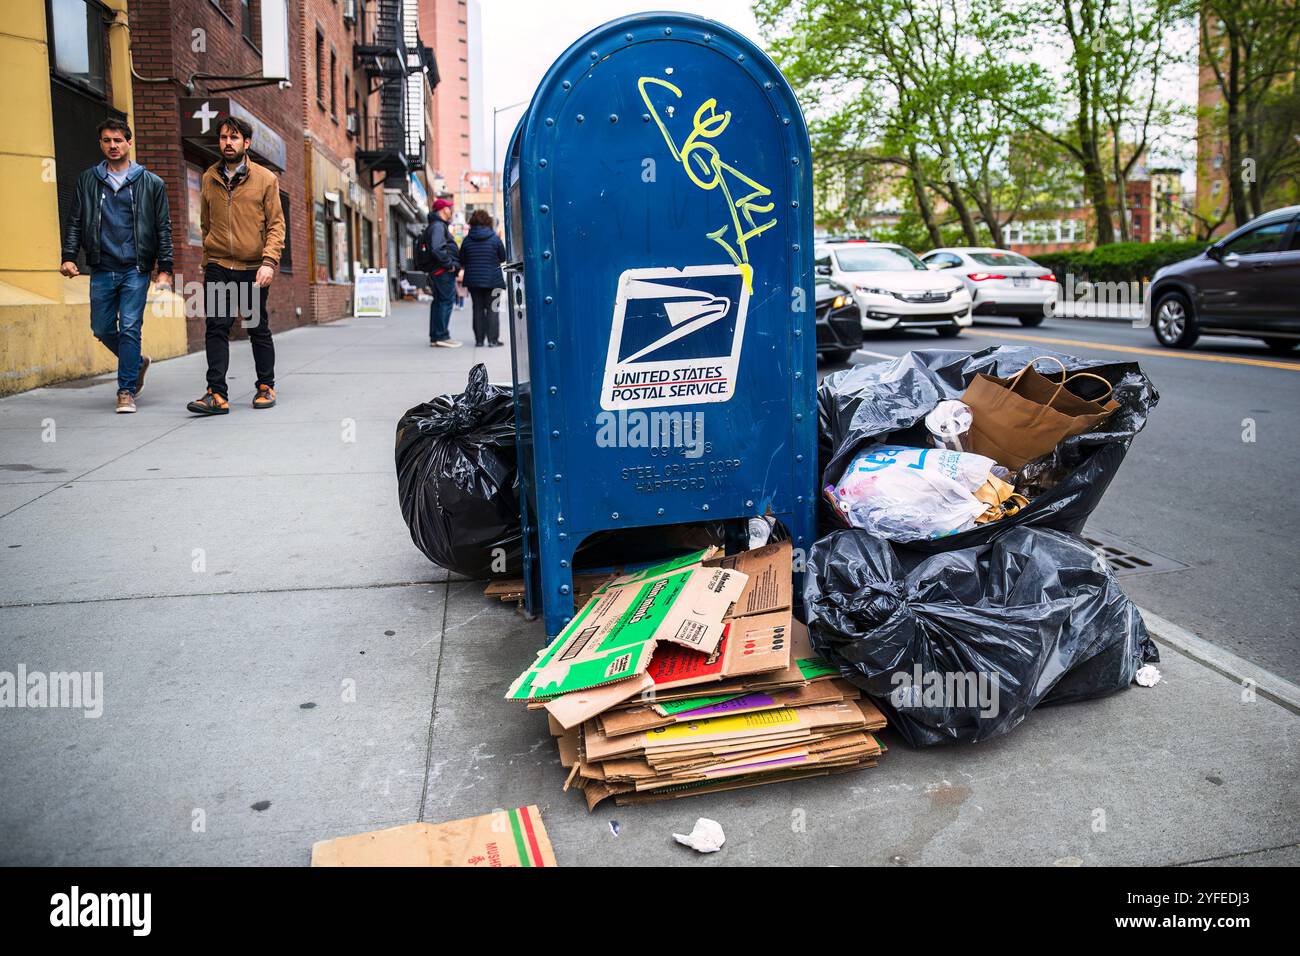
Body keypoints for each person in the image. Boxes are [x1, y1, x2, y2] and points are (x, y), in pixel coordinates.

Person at [60, 119, 173, 414]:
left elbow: (163, 228)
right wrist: (69, 255)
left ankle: (125, 391)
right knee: (101, 326)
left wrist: (165, 269)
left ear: (129, 143)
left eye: (118, 140)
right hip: (101, 266)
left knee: (131, 327)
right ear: (101, 144)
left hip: (135, 269)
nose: (113, 145)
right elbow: (74, 221)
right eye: (107, 140)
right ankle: (136, 363)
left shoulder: (151, 183)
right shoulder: (88, 180)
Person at [186, 116, 286, 415]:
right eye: (223, 138)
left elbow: (276, 225)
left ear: (247, 143)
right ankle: (216, 393)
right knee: (216, 326)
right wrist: (208, 258)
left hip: (253, 267)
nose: (227, 143)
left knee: (256, 326)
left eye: (234, 137)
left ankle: (265, 385)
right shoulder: (209, 178)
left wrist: (269, 261)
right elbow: (206, 222)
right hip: (218, 264)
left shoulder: (266, 179)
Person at [458, 210, 507, 347]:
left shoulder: (467, 240)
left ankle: (479, 340)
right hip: (494, 281)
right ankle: (493, 340)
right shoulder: (495, 239)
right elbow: (503, 257)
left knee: (477, 309)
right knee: (493, 309)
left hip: (474, 281)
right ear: (488, 222)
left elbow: (462, 259)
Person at [424, 198, 461, 348]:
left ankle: (436, 336)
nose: (451, 211)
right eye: (449, 208)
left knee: (439, 302)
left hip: (439, 271)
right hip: (442, 272)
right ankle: (441, 335)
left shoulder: (436, 225)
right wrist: (450, 265)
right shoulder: (438, 226)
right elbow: (437, 248)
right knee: (445, 302)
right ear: (443, 209)